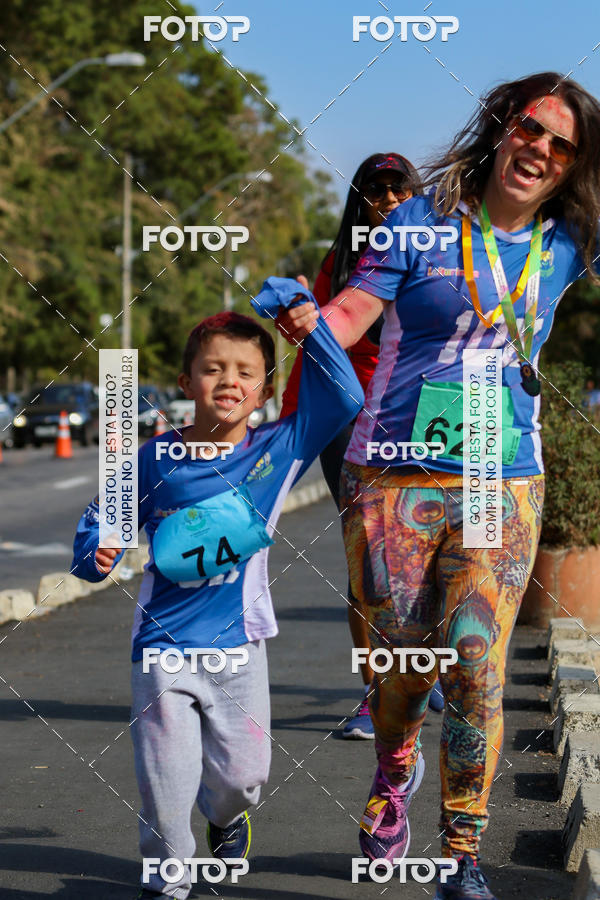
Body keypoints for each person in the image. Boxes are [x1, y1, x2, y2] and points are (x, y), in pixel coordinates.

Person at [275, 72, 600, 900]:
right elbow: (353, 310)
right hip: (391, 465)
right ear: (503, 127)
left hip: (500, 466)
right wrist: (315, 324)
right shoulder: (418, 222)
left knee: (475, 660)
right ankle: (393, 769)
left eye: (563, 145)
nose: (541, 151)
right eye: (532, 129)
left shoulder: (573, 238)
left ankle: (461, 855)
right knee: (405, 666)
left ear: (574, 165)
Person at [71, 292, 363, 900]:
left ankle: (225, 816)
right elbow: (104, 520)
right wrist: (96, 553)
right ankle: (167, 877)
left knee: (242, 778)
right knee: (163, 783)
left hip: (241, 644)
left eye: (245, 372)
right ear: (186, 381)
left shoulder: (279, 449)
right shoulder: (155, 459)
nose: (229, 381)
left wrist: (308, 328)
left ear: (263, 389)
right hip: (162, 648)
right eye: (213, 368)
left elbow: (344, 397)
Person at [280, 153, 444, 738]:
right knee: (368, 559)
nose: (389, 201)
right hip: (355, 417)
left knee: (439, 552)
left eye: (400, 190)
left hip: (432, 410)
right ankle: (374, 694)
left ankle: (429, 670)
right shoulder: (341, 262)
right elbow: (321, 341)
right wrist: (291, 430)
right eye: (377, 192)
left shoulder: (440, 251)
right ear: (360, 202)